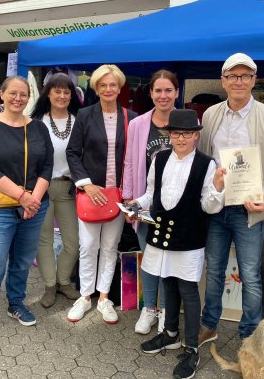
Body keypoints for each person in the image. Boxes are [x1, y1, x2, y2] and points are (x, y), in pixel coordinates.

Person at [123, 109, 226, 379]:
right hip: (160, 231)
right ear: (169, 135)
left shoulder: (207, 164)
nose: (182, 138)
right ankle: (170, 334)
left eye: (188, 133)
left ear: (196, 136)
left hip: (189, 236)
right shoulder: (159, 158)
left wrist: (216, 188)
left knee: (188, 290)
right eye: (176, 133)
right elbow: (150, 193)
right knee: (166, 280)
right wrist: (136, 204)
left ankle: (192, 347)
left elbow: (209, 206)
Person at [197, 53, 264, 343]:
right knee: (213, 270)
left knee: (250, 274)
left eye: (245, 76)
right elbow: (204, 160)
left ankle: (250, 335)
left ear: (254, 79)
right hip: (217, 208)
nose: (239, 82)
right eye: (233, 76)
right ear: (223, 81)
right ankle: (209, 324)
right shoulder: (211, 115)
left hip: (249, 210)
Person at [0, 76, 54, 343]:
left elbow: (47, 167)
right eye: (13, 93)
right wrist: (22, 197)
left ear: (29, 97)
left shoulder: (39, 128)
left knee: (21, 262)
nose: (18, 98)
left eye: (24, 94)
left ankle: (15, 303)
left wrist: (34, 200)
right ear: (2, 95)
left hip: (35, 206)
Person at [65, 64, 137, 324]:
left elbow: (135, 157)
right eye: (103, 85)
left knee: (110, 247)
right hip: (91, 194)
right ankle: (85, 296)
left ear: (120, 87)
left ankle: (104, 297)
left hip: (118, 195)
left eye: (113, 84)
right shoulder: (84, 115)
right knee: (87, 247)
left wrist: (131, 192)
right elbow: (72, 152)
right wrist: (86, 183)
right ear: (96, 88)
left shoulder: (131, 117)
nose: (108, 89)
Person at [122, 69, 181, 334]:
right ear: (151, 93)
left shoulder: (189, 121)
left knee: (170, 259)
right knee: (149, 257)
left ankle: (167, 309)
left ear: (177, 92)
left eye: (168, 90)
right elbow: (130, 163)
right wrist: (129, 199)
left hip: (177, 204)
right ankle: (149, 310)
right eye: (158, 90)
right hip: (146, 204)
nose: (163, 95)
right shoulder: (138, 124)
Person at [30, 73, 82, 308]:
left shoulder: (80, 120)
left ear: (72, 95)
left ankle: (64, 281)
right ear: (48, 93)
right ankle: (50, 285)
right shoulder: (35, 121)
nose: (61, 95)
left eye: (66, 91)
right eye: (57, 91)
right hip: (41, 187)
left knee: (73, 240)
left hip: (69, 188)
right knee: (44, 240)